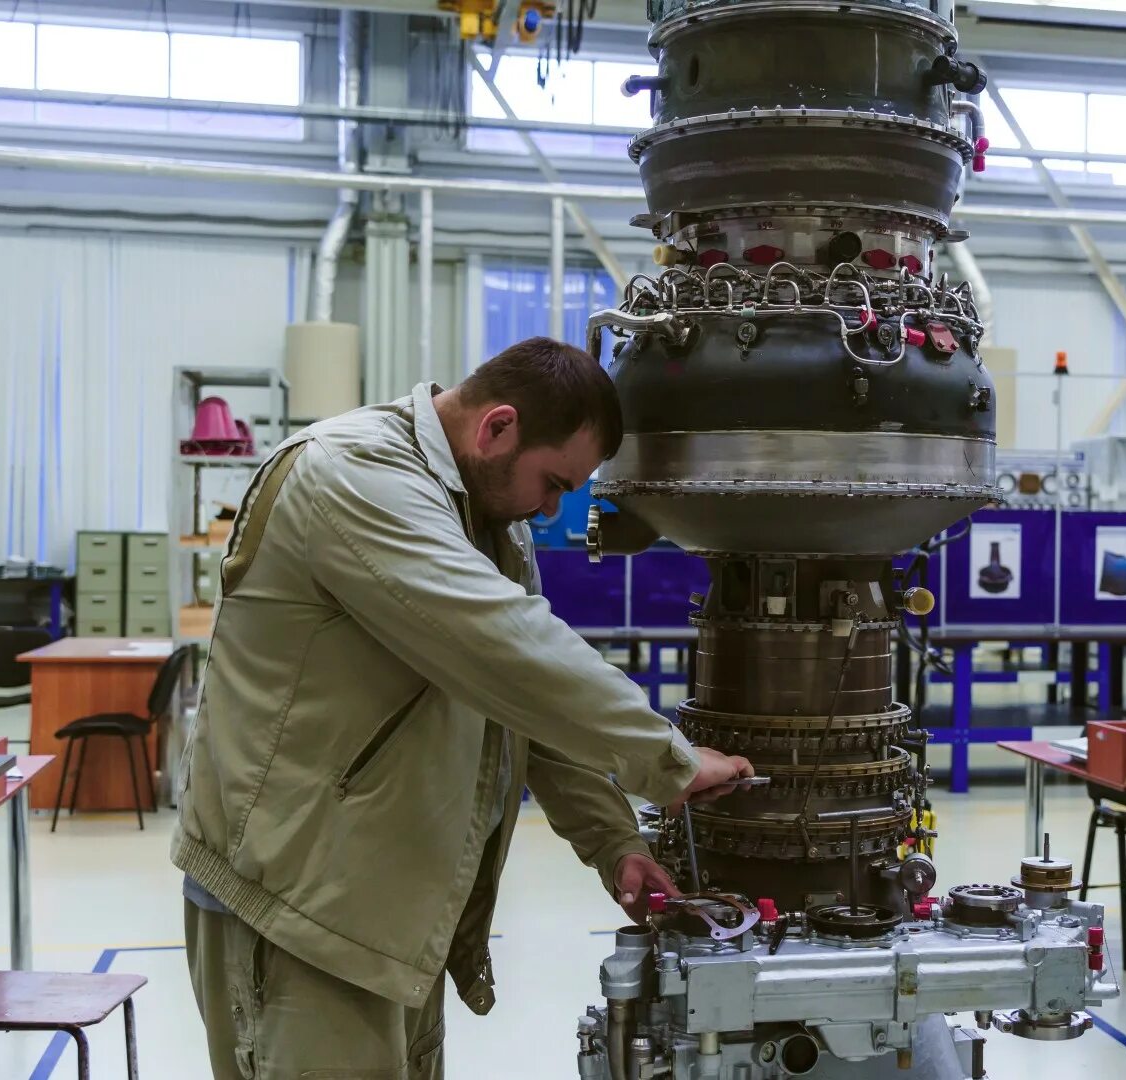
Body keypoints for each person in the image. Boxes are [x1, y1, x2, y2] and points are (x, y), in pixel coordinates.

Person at [173, 337, 752, 1079]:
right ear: (497, 427)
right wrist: (666, 758)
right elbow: (504, 646)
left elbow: (523, 702)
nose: (552, 509)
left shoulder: (487, 519)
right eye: (553, 483)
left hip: (386, 911)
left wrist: (616, 844)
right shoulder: (350, 474)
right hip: (293, 909)